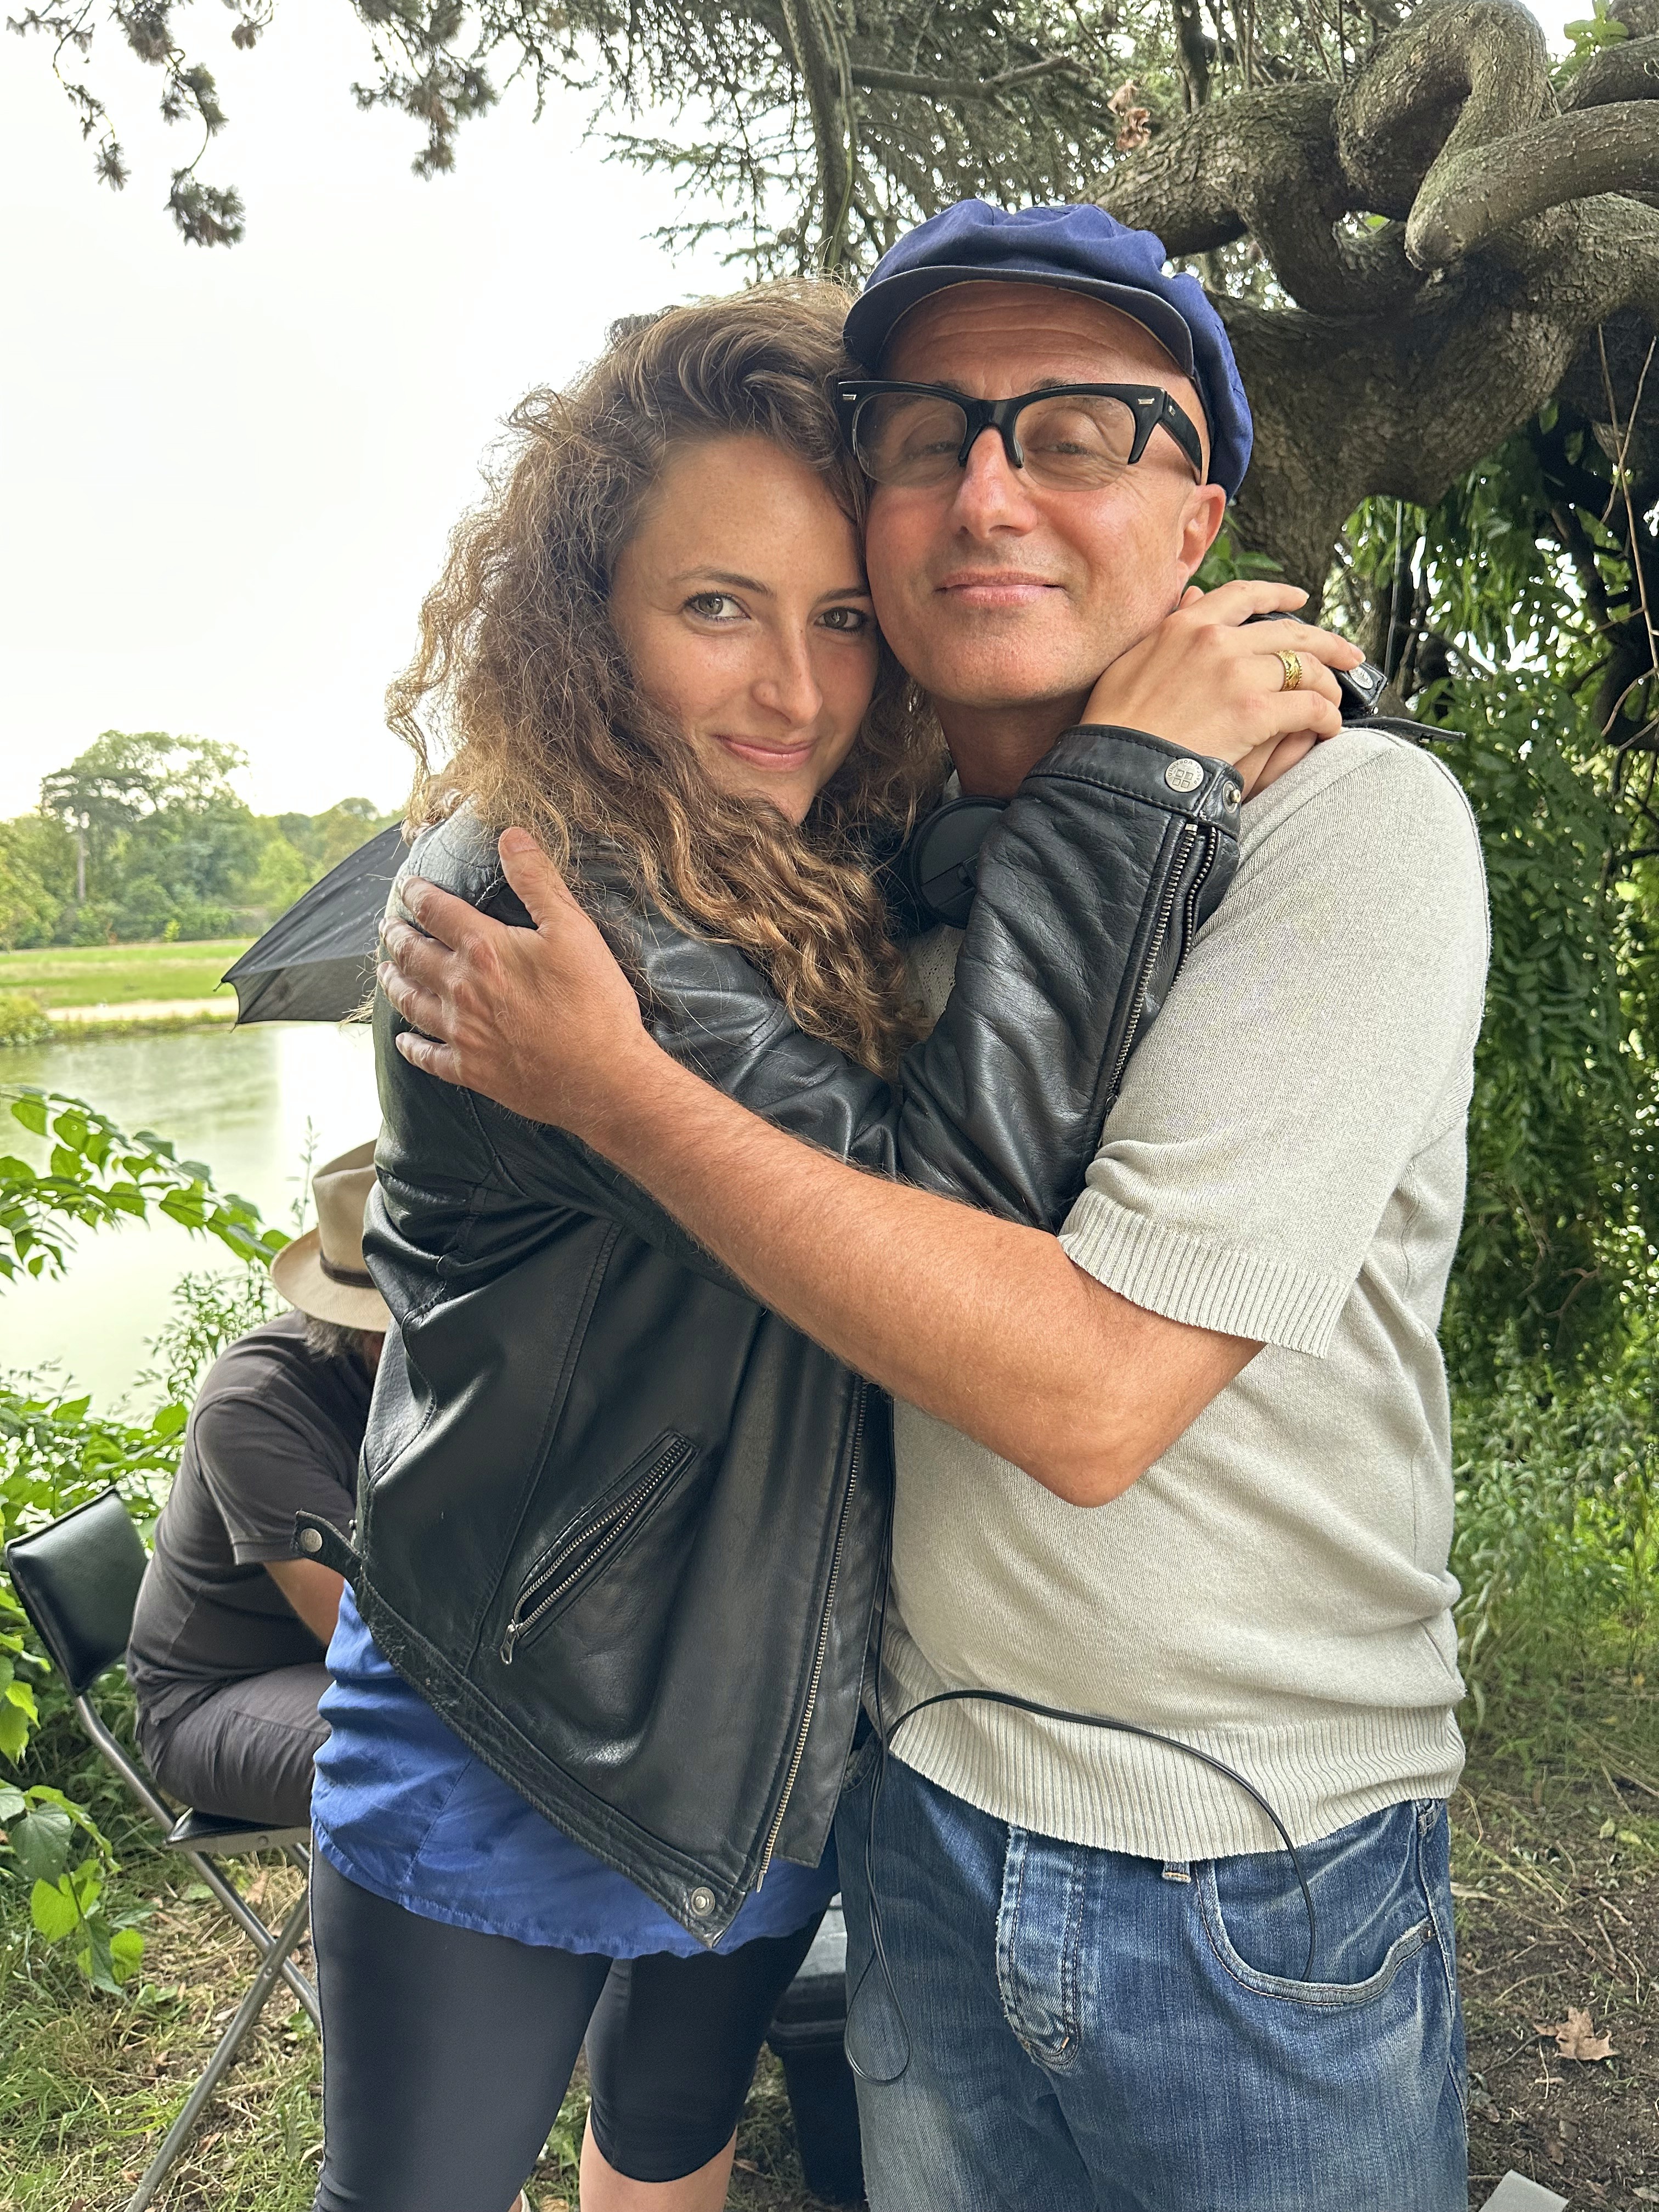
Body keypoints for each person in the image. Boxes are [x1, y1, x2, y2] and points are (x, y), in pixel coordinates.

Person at [382, 203, 1488, 2212]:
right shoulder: (879, 872)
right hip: (911, 1809)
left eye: (1077, 433)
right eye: (926, 433)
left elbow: (1077, 1393)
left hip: (1234, 1861)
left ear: (1194, 523)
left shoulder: (1340, 825)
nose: (990, 489)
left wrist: (622, 1097)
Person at [126, 1141, 385, 1829]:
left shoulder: (434, 1376)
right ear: (370, 1330)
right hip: (211, 1700)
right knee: (426, 1759)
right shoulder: (253, 1407)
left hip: (341, 1670)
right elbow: (367, 1635)